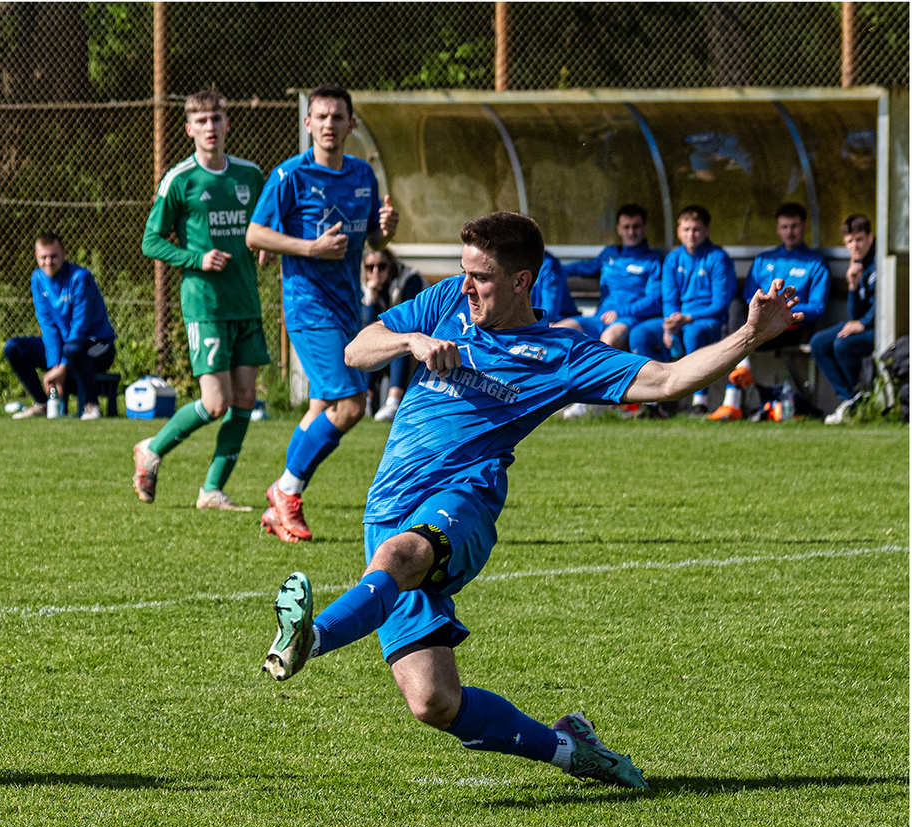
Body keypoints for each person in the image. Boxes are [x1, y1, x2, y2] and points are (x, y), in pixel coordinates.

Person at [260, 211, 800, 789]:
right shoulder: (445, 301)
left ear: (521, 282)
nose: (467, 286)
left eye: (482, 277)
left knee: (400, 556)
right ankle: (572, 748)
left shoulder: (561, 355)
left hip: (462, 496)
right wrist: (410, 341)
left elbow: (667, 379)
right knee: (434, 701)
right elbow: (357, 352)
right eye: (464, 272)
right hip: (387, 505)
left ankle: (309, 640)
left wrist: (749, 336)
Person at [246, 84, 399, 542]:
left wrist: (386, 231)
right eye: (322, 117)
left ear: (351, 124)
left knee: (321, 407)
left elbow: (374, 240)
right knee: (353, 405)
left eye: (338, 117)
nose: (330, 125)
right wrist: (309, 247)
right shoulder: (289, 176)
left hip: (347, 305)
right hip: (308, 307)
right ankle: (286, 492)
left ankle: (281, 503)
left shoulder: (362, 176)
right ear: (307, 123)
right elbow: (256, 234)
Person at [132, 88, 269, 510]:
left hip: (245, 301)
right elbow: (151, 241)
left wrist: (264, 243)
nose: (211, 127)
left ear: (228, 123)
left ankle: (211, 490)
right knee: (215, 403)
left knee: (246, 398)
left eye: (217, 118)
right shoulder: (180, 179)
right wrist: (197, 257)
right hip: (205, 306)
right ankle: (151, 449)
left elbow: (266, 222)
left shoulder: (249, 175)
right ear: (189, 128)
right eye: (202, 121)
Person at [629, 205, 737, 418]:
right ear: (678, 231)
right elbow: (669, 298)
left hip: (708, 320)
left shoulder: (718, 257)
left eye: (696, 230)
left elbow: (722, 303)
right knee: (639, 333)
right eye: (686, 229)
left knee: (693, 333)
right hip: (678, 319)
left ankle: (700, 403)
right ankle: (651, 402)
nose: (691, 235)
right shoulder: (673, 258)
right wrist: (669, 324)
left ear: (707, 230)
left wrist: (688, 318)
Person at [556, 203, 662, 418]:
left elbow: (654, 300)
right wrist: (551, 267)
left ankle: (590, 402)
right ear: (618, 229)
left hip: (629, 319)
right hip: (600, 317)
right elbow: (583, 267)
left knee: (608, 339)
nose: (632, 232)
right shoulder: (610, 255)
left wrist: (622, 310)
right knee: (559, 331)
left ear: (645, 228)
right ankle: (551, 395)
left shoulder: (653, 261)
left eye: (636, 226)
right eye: (627, 227)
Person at [725, 201, 831, 412]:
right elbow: (748, 299)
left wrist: (782, 308)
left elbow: (818, 308)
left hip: (791, 327)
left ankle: (732, 401)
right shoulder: (764, 260)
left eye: (794, 226)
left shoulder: (815, 263)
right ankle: (741, 374)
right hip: (761, 325)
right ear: (777, 229)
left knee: (731, 336)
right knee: (736, 308)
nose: (789, 232)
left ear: (805, 226)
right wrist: (767, 309)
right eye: (784, 227)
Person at [4, 233, 117, 421]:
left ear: (64, 254)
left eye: (53, 256)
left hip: (97, 345)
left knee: (73, 349)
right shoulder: (37, 279)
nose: (48, 262)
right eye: (43, 257)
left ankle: (91, 405)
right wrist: (55, 366)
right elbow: (48, 326)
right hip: (67, 347)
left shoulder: (81, 278)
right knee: (13, 348)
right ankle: (42, 403)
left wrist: (61, 368)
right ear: (36, 257)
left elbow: (80, 328)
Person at [811, 215, 878, 424]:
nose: (855, 246)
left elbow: (882, 304)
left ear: (870, 238)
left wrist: (863, 323)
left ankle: (859, 400)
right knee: (818, 343)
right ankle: (851, 399)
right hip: (864, 323)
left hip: (879, 327)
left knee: (843, 344)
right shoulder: (856, 266)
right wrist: (852, 286)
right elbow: (854, 314)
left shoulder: (878, 263)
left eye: (859, 239)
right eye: (850, 241)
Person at [362, 250, 426, 422]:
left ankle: (394, 400)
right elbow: (369, 326)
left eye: (381, 266)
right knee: (368, 342)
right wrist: (371, 299)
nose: (375, 272)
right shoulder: (365, 285)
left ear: (390, 266)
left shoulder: (409, 280)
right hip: (387, 338)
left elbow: (409, 320)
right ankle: (366, 399)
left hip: (420, 337)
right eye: (370, 267)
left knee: (400, 339)